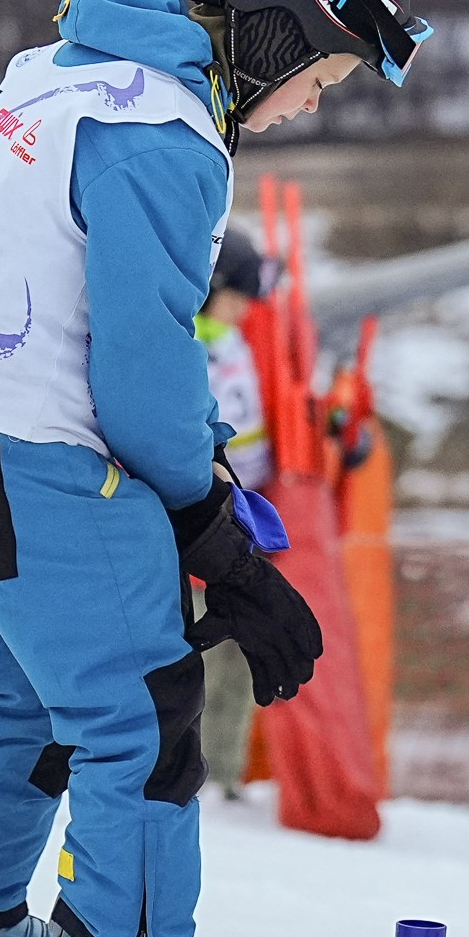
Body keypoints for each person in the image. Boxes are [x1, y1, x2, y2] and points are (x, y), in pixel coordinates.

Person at [0, 0, 430, 937]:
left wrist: (200, 499)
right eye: (321, 78)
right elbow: (139, 359)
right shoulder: (168, 132)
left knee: (27, 694)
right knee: (141, 706)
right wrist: (211, 523)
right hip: (25, 433)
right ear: (279, 30)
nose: (307, 107)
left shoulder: (73, 66)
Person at [197, 232, 274, 799]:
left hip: (246, 519)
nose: (244, 310)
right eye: (236, 298)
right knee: (202, 655)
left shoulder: (236, 341)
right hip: (205, 521)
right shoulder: (188, 340)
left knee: (242, 656)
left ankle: (227, 773)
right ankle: (195, 768)